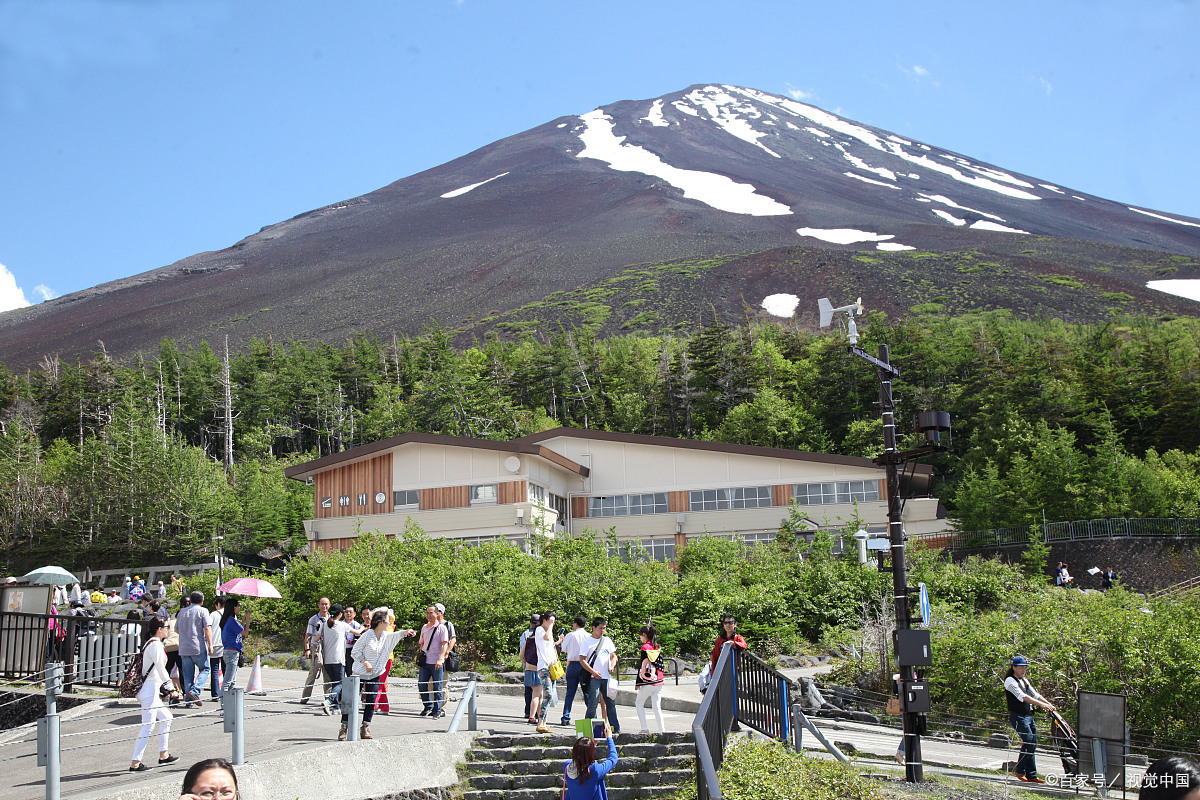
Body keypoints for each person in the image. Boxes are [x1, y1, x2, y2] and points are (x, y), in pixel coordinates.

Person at [343, 609, 416, 740]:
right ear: (380, 622)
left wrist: (407, 632)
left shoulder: (385, 635)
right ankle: (344, 726)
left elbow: (397, 635)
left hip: (375, 673)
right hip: (359, 673)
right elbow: (355, 651)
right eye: (387, 621)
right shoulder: (367, 635)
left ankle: (365, 726)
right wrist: (365, 662)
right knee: (351, 701)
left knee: (371, 701)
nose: (389, 623)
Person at [129, 616, 180, 772]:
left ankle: (163, 755)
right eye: (166, 627)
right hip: (149, 689)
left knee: (167, 718)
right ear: (159, 629)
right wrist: (171, 688)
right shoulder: (155, 645)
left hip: (151, 688)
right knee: (148, 726)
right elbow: (160, 668)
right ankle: (135, 763)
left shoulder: (152, 643)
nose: (168, 629)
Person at [1004, 655, 1055, 784]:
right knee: (1029, 741)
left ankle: (1031, 775)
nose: (1023, 670)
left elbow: (1035, 694)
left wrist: (1048, 704)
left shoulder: (1024, 681)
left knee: (1033, 742)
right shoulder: (1010, 681)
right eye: (1021, 667)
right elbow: (1023, 697)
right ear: (1014, 667)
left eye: (1024, 667)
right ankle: (1020, 770)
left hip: (1028, 715)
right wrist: (1042, 705)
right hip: (1018, 715)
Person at [582, 616, 621, 736]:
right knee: (593, 703)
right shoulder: (587, 642)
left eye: (604, 628)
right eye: (600, 628)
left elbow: (613, 656)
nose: (602, 631)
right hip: (594, 678)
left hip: (606, 678)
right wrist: (593, 672)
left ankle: (615, 728)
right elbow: (582, 660)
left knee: (610, 703)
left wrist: (612, 666)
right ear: (594, 628)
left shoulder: (607, 640)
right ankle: (587, 729)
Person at [176, 591, 212, 708]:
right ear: (202, 601)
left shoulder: (182, 612)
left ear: (190, 600)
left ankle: (188, 700)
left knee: (187, 675)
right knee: (205, 669)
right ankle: (195, 691)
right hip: (198, 646)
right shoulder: (203, 611)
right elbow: (207, 628)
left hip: (184, 647)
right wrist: (210, 644)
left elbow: (176, 629)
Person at [530, 611, 562, 733]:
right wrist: (551, 626)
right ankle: (540, 722)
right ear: (544, 621)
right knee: (547, 694)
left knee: (549, 695)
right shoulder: (539, 630)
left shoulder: (546, 631)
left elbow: (549, 645)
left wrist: (558, 641)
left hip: (551, 666)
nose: (552, 624)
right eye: (550, 621)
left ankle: (543, 723)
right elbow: (546, 638)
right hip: (543, 667)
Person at [418, 605, 452, 719]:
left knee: (437, 686)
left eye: (431, 613)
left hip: (436, 661)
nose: (429, 615)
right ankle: (428, 705)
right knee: (422, 685)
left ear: (437, 614)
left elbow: (444, 644)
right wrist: (420, 656)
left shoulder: (442, 628)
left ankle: (437, 710)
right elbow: (421, 643)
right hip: (425, 661)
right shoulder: (424, 627)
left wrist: (440, 658)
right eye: (427, 613)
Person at [563, 733, 618, 800]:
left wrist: (591, 746)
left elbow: (581, 758)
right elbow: (613, 758)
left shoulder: (567, 767)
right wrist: (609, 738)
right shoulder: (595, 770)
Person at [218, 597, 249, 714]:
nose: (239, 608)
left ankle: (228, 706)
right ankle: (223, 708)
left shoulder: (228, 620)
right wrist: (248, 622)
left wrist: (244, 621)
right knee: (228, 681)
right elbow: (245, 633)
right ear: (233, 607)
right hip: (232, 652)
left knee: (231, 682)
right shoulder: (231, 620)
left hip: (229, 651)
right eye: (238, 606)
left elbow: (239, 631)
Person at [634, 624, 665, 733]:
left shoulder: (645, 648)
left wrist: (638, 683)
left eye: (640, 636)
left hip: (648, 681)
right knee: (656, 706)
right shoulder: (657, 646)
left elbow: (642, 666)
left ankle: (644, 728)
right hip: (659, 680)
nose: (640, 638)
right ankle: (662, 730)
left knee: (639, 703)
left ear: (644, 635)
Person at [560, 615, 590, 727]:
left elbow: (564, 649)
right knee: (587, 692)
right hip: (585, 665)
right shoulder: (588, 636)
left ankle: (565, 717)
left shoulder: (570, 635)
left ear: (575, 624)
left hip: (572, 664)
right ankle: (591, 716)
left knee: (570, 693)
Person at [320, 604, 350, 715]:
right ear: (340, 614)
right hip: (338, 659)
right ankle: (329, 701)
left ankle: (336, 707)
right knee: (341, 683)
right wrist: (364, 626)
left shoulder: (324, 624)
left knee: (335, 684)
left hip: (327, 658)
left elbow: (317, 637)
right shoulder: (342, 625)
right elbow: (357, 632)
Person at [300, 598, 331, 704]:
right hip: (316, 648)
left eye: (326, 604)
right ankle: (305, 696)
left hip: (328, 648)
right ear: (319, 605)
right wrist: (307, 648)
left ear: (329, 605)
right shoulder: (313, 619)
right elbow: (308, 635)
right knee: (313, 672)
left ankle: (327, 698)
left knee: (327, 674)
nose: (324, 606)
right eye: (322, 604)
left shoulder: (331, 619)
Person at [518, 613, 541, 723]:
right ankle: (538, 715)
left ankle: (529, 712)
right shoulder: (544, 636)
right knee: (539, 694)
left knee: (529, 692)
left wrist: (526, 664)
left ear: (530, 623)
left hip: (528, 668)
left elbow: (522, 654)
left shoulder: (526, 635)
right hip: (540, 669)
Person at [207, 599, 224, 701]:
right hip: (225, 645)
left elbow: (208, 627)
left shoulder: (213, 614)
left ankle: (215, 694)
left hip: (214, 644)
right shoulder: (231, 614)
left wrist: (209, 643)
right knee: (226, 670)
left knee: (214, 669)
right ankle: (226, 692)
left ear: (218, 604)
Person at [434, 602, 457, 667]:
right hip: (433, 656)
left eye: (436, 611)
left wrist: (447, 652)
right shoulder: (431, 625)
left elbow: (453, 639)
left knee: (443, 675)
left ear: (441, 613)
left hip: (443, 656)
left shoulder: (447, 624)